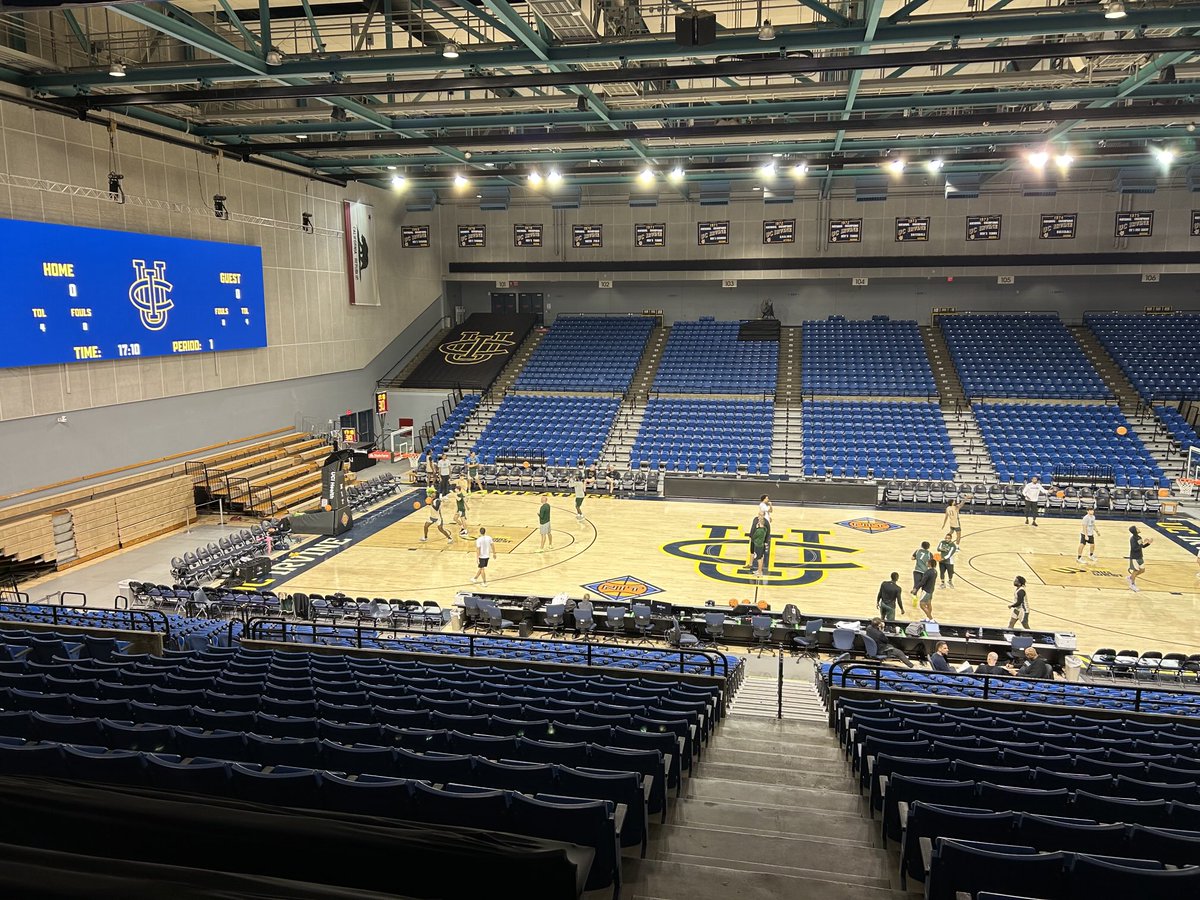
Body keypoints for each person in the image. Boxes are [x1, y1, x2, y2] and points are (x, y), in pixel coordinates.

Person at [1127, 525, 1151, 592]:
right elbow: (1134, 549)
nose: (1138, 528)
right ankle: (1132, 585)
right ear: (1135, 531)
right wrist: (1143, 543)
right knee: (1136, 571)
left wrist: (1148, 543)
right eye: (1137, 528)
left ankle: (1131, 577)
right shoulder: (1133, 539)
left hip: (1140, 556)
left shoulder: (1139, 537)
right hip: (1134, 557)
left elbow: (1142, 546)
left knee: (1142, 570)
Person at [748, 515, 768, 580]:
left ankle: (759, 572)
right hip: (761, 545)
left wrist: (756, 528)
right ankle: (759, 571)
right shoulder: (765, 529)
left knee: (759, 559)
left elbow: (754, 537)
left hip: (758, 546)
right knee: (761, 557)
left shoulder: (759, 530)